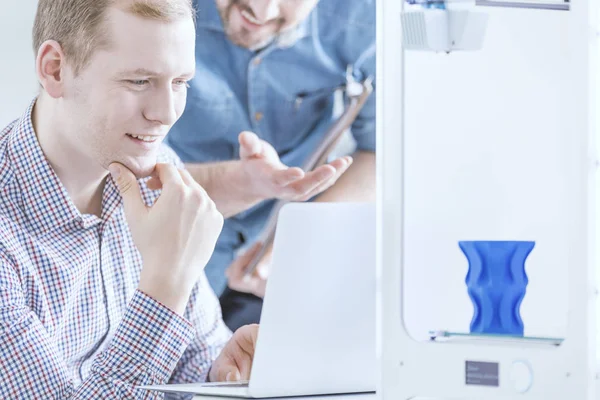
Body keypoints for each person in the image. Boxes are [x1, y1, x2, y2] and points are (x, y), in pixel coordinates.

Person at [0, 0, 262, 397]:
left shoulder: (157, 171)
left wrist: (219, 371)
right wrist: (166, 282)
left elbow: (193, 352)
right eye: (140, 81)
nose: (167, 113)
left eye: (180, 82)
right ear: (55, 69)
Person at [165, 0, 376, 329]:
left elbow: (380, 153)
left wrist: (300, 237)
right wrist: (244, 183)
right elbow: (115, 164)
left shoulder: (366, 18)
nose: (261, 13)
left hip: (287, 252)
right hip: (166, 232)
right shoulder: (145, 9)